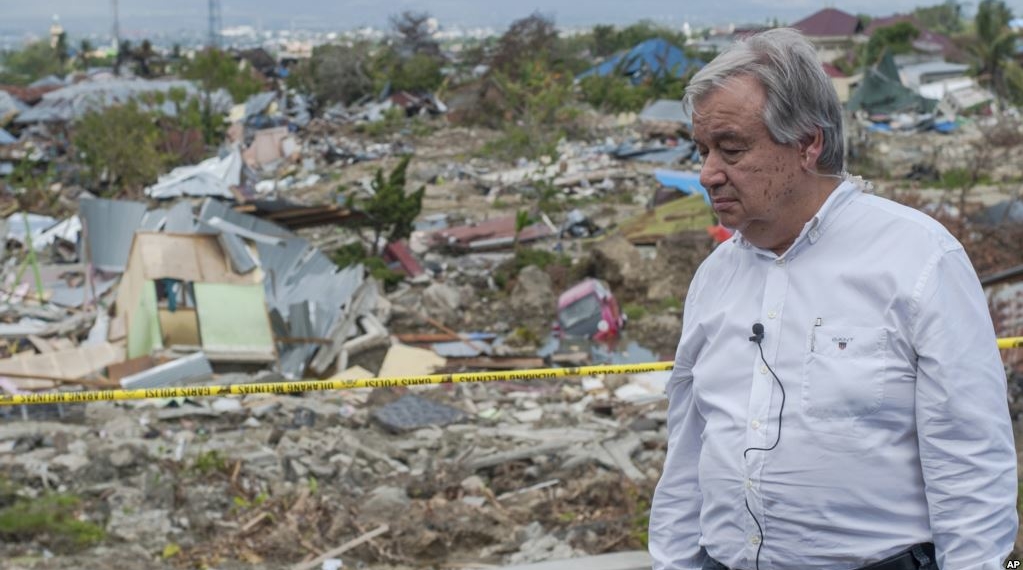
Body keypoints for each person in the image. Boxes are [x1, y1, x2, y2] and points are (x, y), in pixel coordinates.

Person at [648, 27, 1018, 570]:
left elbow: (972, 465)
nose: (707, 174)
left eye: (731, 149)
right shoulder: (713, 278)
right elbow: (685, 458)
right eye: (702, 150)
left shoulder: (919, 260)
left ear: (807, 144)